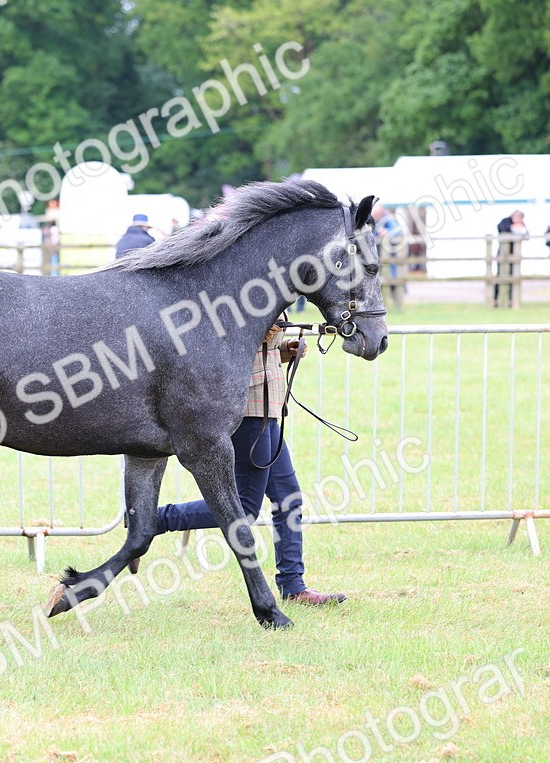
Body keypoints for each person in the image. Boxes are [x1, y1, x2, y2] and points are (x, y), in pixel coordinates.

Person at [135, 325, 346, 606]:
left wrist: (283, 351)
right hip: (245, 409)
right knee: (244, 507)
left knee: (288, 499)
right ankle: (150, 519)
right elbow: (218, 349)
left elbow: (259, 353)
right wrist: (255, 332)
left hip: (268, 407)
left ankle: (293, 586)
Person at [373, 205, 406, 306]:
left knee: (393, 277)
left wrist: (387, 232)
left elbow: (397, 230)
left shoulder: (388, 219)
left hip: (390, 254)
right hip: (378, 255)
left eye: (376, 214)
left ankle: (396, 299)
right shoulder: (375, 220)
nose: (375, 216)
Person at [495, 210, 527, 308]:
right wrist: (514, 228)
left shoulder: (521, 225)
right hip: (503, 254)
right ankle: (495, 299)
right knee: (499, 276)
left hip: (514, 254)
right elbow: (501, 228)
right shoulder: (506, 221)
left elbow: (526, 234)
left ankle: (510, 300)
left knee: (513, 277)